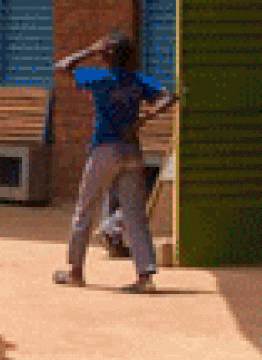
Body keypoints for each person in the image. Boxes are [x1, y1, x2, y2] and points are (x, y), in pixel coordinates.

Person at [53, 32, 175, 294]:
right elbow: (167, 97)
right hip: (131, 150)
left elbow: (62, 67)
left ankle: (75, 272)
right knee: (135, 216)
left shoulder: (99, 78)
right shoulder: (139, 80)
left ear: (107, 56)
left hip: (104, 151)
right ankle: (145, 277)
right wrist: (146, 118)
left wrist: (89, 50)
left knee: (85, 210)